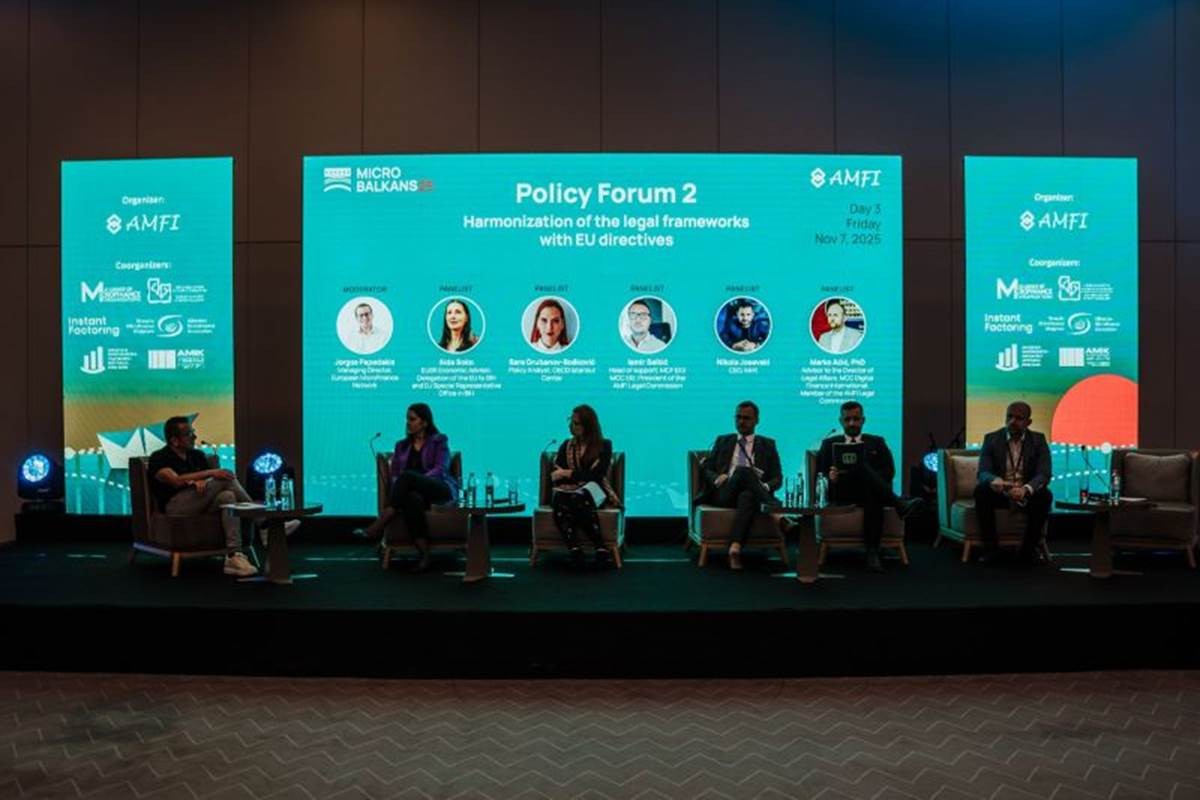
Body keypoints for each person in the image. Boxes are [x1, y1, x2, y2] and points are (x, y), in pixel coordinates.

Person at [148, 416, 296, 577]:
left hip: (200, 500)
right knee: (224, 478)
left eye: (193, 432)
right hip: (176, 506)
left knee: (227, 497)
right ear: (174, 441)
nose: (194, 436)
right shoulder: (160, 457)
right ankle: (264, 525)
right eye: (189, 434)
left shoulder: (196, 455)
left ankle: (233, 555)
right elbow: (175, 480)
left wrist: (202, 479)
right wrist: (209, 473)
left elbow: (205, 481)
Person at [799, 401, 919, 573]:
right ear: (841, 421)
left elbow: (889, 471)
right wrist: (830, 476)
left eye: (856, 419)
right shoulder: (829, 443)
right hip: (841, 493)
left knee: (871, 491)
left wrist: (869, 478)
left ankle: (872, 552)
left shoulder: (877, 442)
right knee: (861, 467)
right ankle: (899, 504)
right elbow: (820, 473)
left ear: (863, 420)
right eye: (847, 419)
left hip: (868, 493)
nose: (852, 423)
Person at [354, 403, 459, 572]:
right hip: (416, 494)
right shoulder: (401, 446)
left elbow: (441, 469)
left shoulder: (439, 440)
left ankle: (380, 524)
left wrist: (418, 480)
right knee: (412, 499)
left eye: (412, 419)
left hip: (439, 489)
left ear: (424, 422)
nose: (408, 423)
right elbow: (396, 475)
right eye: (407, 419)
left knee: (409, 476)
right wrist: (409, 485)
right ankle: (424, 555)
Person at [699, 401, 782, 570]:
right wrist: (717, 477)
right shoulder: (723, 440)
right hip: (725, 493)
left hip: (753, 495)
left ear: (757, 420)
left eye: (746, 418)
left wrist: (764, 487)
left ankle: (735, 548)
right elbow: (706, 468)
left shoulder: (768, 444)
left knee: (747, 496)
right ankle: (776, 512)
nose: (741, 421)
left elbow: (777, 478)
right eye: (738, 417)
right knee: (743, 471)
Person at [974, 401, 1052, 564]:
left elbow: (1044, 473)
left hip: (1026, 493)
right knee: (981, 491)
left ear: (1028, 422)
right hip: (1001, 491)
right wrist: (994, 480)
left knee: (1045, 496)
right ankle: (991, 549)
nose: (1012, 421)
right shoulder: (992, 439)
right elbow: (983, 471)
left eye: (1018, 418)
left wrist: (1027, 489)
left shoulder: (1038, 440)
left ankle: (1028, 551)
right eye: (1009, 417)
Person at [550, 405, 621, 568]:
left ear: (588, 425)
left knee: (578, 498)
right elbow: (557, 473)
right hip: (568, 490)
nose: (572, 426)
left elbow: (596, 476)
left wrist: (568, 473)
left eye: (577, 423)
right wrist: (564, 476)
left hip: (594, 490)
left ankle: (600, 547)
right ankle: (574, 548)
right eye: (571, 422)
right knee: (560, 498)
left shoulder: (604, 445)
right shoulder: (566, 445)